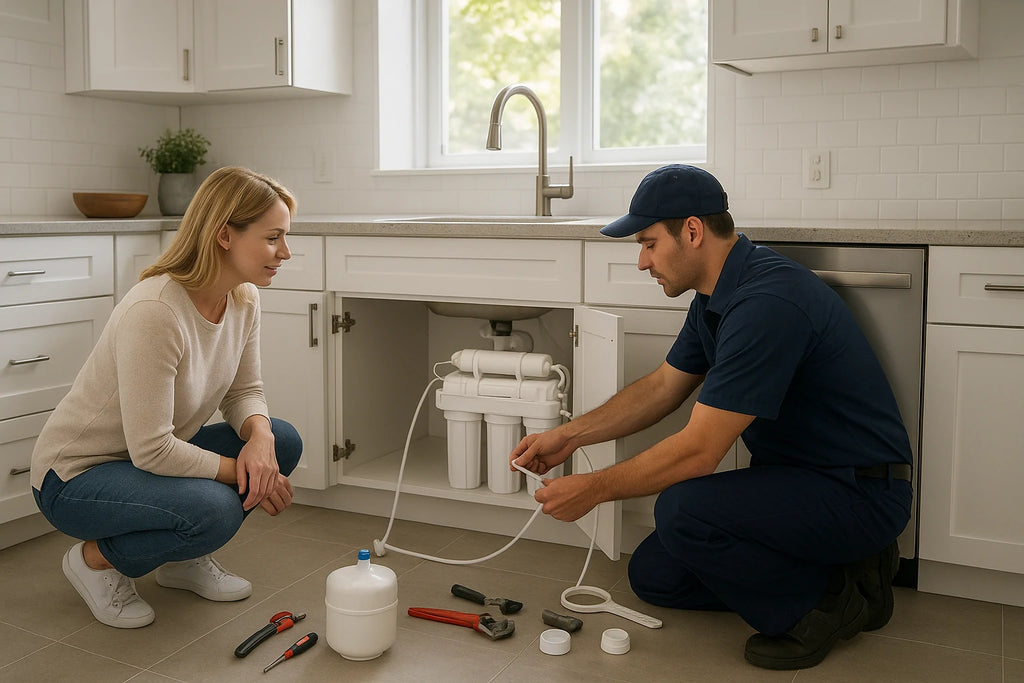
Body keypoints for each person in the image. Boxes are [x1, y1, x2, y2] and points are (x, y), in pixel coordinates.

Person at [511, 164, 913, 670]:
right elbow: (662, 387)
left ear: (693, 231)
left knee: (684, 512)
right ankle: (844, 567)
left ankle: (827, 602)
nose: (642, 261)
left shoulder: (767, 302)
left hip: (858, 492)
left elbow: (701, 453)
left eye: (649, 243)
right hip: (796, 480)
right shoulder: (715, 297)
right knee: (655, 574)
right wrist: (568, 436)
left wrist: (593, 488)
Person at [30, 166, 303, 629]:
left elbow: (244, 391)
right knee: (217, 508)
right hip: (76, 477)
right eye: (273, 237)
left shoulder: (243, 298)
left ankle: (181, 559)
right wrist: (251, 475)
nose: (286, 252)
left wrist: (258, 442)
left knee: (281, 440)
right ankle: (96, 561)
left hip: (144, 461)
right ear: (224, 236)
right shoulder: (156, 310)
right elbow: (152, 447)